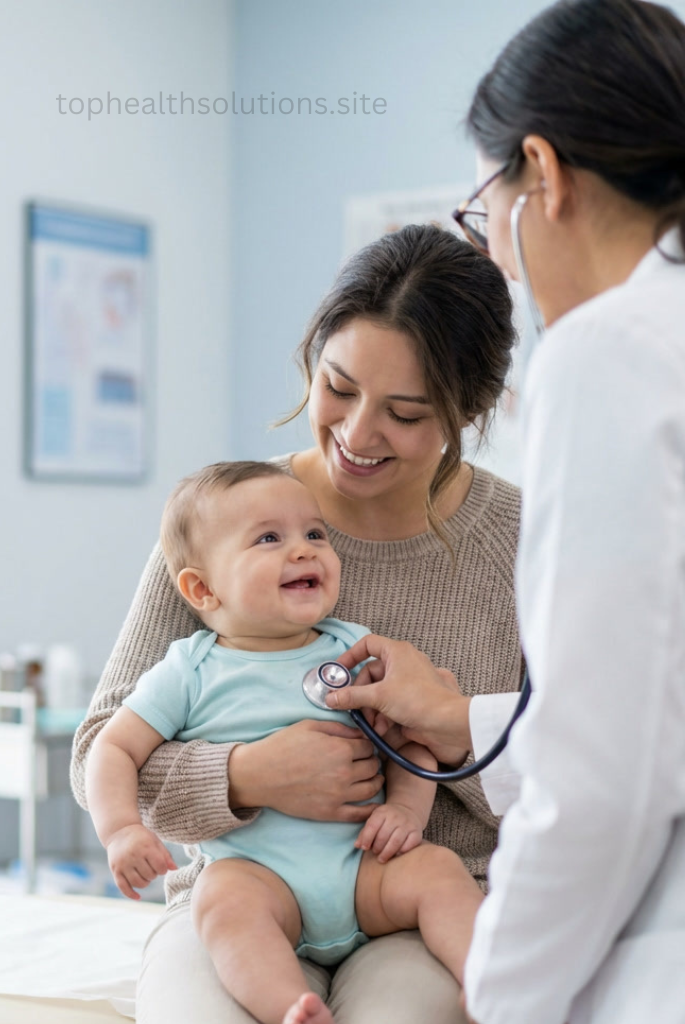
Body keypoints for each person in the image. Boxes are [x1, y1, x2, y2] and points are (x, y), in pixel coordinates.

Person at [323, 2, 685, 1020]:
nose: (509, 266)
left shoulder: (612, 352)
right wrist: (460, 717)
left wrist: (506, 998)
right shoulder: (231, 504)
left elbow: (602, 775)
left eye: (490, 215)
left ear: (545, 173)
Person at [71, 223, 524, 1024]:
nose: (356, 434)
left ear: (471, 409)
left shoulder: (525, 544)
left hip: (410, 896)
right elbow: (98, 751)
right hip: (241, 887)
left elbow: (591, 781)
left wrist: (454, 734)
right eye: (338, 386)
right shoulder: (227, 523)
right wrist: (246, 776)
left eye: (406, 413)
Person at [85, 462, 485, 1024]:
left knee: (440, 871)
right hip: (262, 878)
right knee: (221, 901)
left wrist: (405, 809)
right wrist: (122, 830)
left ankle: (488, 980)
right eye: (270, 538)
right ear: (202, 588)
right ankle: (289, 1008)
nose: (303, 550)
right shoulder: (190, 670)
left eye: (315, 534)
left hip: (365, 871)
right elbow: (112, 749)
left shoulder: (355, 649)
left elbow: (412, 739)